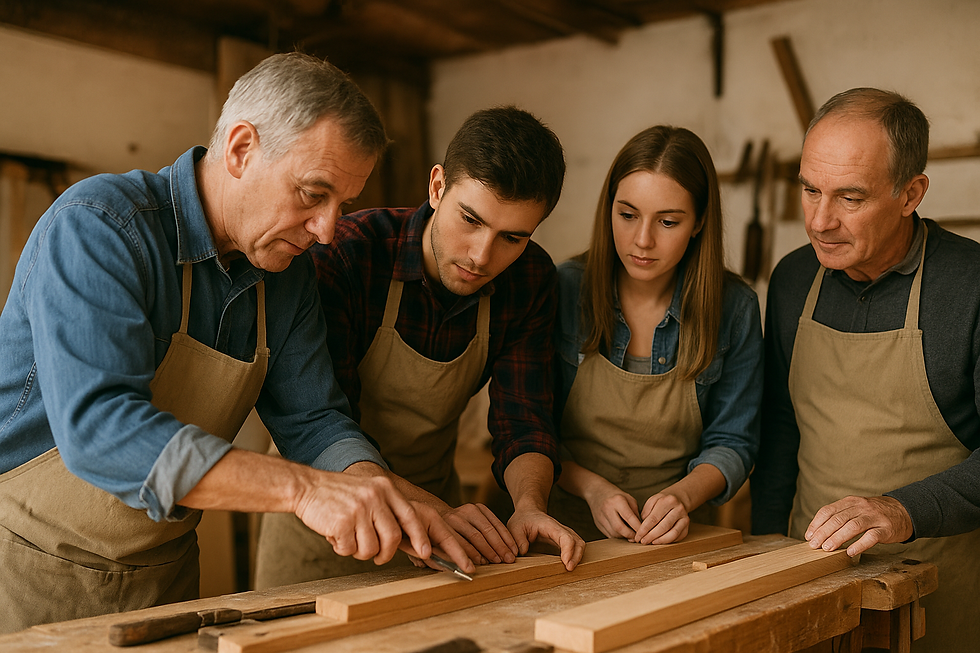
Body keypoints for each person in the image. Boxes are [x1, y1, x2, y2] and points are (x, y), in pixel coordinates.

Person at [0, 52, 473, 633]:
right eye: (311, 194)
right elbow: (100, 430)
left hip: (164, 575)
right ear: (242, 148)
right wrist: (303, 491)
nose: (327, 231)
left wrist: (393, 497)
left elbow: (315, 421)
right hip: (30, 568)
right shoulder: (100, 227)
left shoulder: (288, 275)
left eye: (341, 206)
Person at [253, 106, 586, 588]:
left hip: (438, 523)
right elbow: (322, 425)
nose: (482, 255)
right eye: (470, 220)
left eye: (512, 237)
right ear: (437, 187)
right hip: (327, 519)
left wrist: (529, 506)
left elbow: (523, 418)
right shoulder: (347, 255)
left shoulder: (530, 278)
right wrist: (431, 510)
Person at [750, 87, 980, 652]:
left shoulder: (971, 285)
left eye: (850, 198)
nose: (820, 221)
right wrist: (762, 556)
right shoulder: (791, 280)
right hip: (809, 577)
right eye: (809, 190)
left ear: (911, 193)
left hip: (938, 584)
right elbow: (781, 430)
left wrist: (902, 510)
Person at [549, 126, 763, 544]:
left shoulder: (734, 308)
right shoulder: (564, 289)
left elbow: (734, 440)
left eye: (667, 221)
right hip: (562, 531)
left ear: (700, 221)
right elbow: (531, 428)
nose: (642, 241)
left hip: (678, 537)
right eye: (627, 215)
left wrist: (681, 497)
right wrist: (593, 490)